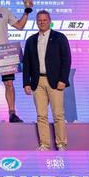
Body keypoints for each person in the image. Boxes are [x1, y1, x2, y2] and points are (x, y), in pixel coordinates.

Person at [23, 11, 71, 151]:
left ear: (50, 21)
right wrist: (26, 82)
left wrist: (63, 79)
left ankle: (61, 144)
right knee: (41, 115)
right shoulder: (31, 40)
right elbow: (26, 63)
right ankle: (45, 144)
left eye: (44, 20)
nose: (42, 22)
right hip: (37, 82)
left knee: (58, 115)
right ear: (36, 22)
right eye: (39, 20)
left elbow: (66, 60)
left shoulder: (59, 38)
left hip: (56, 82)